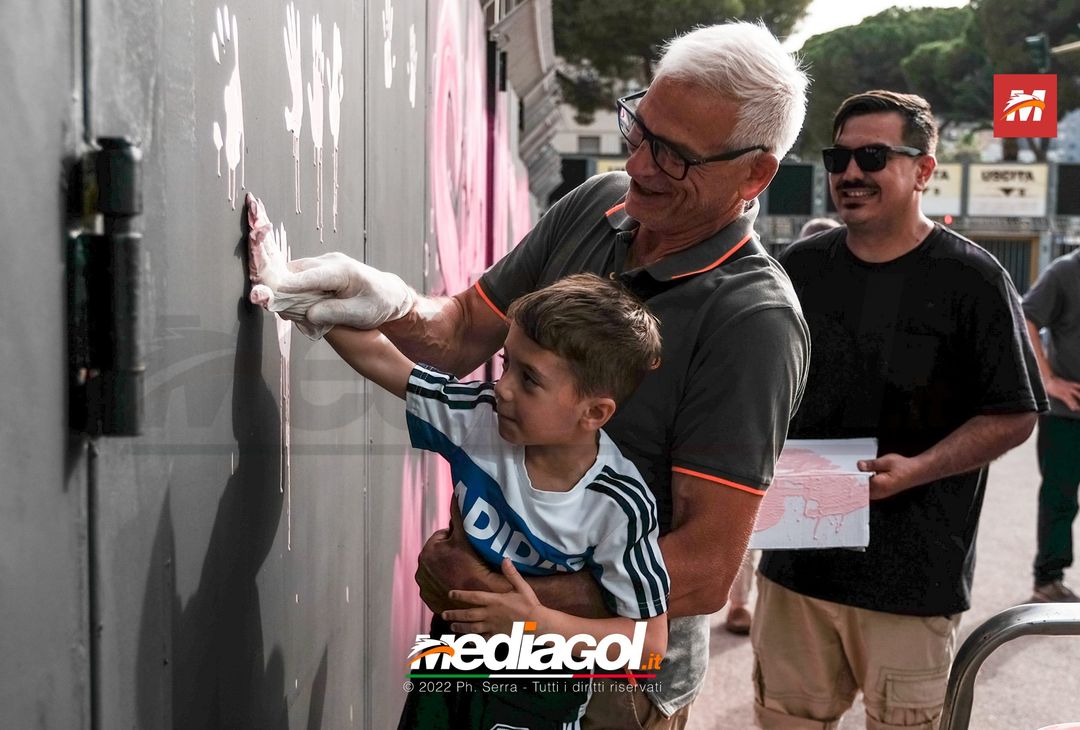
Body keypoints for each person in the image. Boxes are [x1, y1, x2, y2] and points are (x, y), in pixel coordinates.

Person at [251, 22, 811, 728]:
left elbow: (702, 568)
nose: (638, 164)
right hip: (482, 629)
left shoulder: (753, 320)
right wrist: (384, 302)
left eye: (674, 158)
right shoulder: (599, 204)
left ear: (755, 173)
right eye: (640, 130)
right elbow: (455, 336)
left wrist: (498, 592)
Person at [250, 206, 671, 726]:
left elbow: (649, 644)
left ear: (595, 412)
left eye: (530, 379)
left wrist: (537, 623)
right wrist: (299, 291)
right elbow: (386, 362)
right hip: (449, 662)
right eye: (506, 365)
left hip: (538, 690)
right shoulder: (480, 419)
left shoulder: (619, 504)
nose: (504, 387)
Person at [754, 90, 1046, 730]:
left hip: (911, 579)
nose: (850, 173)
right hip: (796, 563)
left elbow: (1015, 413)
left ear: (923, 170)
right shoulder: (797, 268)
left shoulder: (973, 277)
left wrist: (919, 468)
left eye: (873, 156)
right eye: (839, 158)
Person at [1023, 247, 1080, 603]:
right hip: (1066, 414)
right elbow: (1026, 318)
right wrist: (1048, 381)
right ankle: (1048, 580)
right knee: (1059, 497)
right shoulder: (1065, 272)